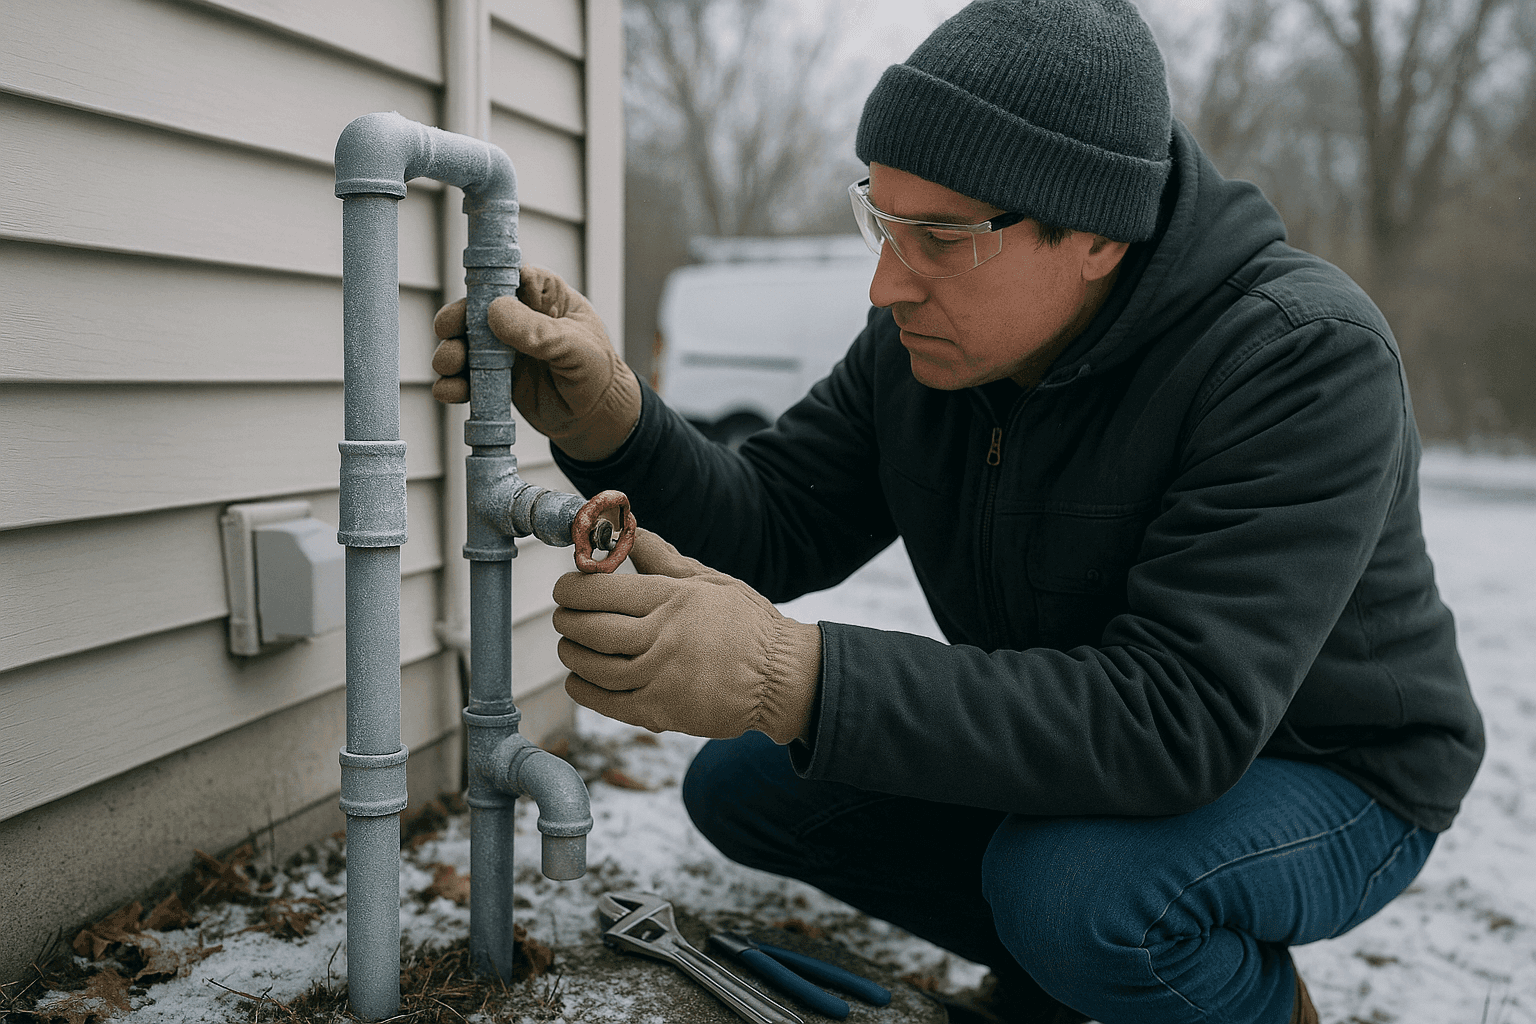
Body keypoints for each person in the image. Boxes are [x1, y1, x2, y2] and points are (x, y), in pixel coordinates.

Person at [429, 2, 1484, 1020]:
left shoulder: (1298, 357)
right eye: (882, 220)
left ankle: (1226, 1000)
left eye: (939, 237)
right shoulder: (926, 349)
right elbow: (775, 518)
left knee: (1074, 891)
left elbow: (1178, 718)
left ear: (1100, 234)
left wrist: (788, 670)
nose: (888, 283)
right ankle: (1067, 978)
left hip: (1327, 769)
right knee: (752, 780)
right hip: (1097, 733)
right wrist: (615, 419)